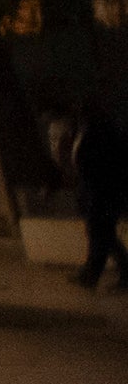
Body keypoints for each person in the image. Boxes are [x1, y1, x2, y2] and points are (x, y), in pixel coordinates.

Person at [73, 108, 126, 293]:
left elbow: (97, 171)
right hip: (100, 194)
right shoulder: (98, 135)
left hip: (102, 195)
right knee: (104, 235)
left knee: (100, 235)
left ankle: (92, 275)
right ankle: (94, 272)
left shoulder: (99, 138)